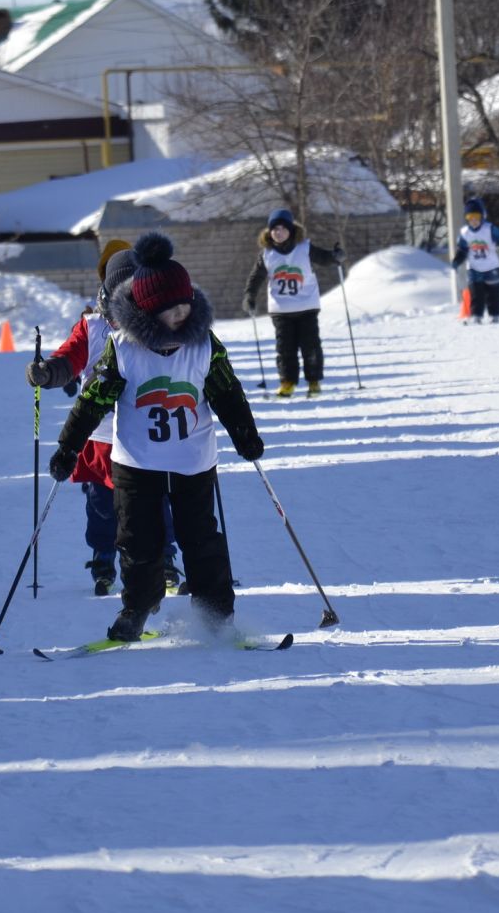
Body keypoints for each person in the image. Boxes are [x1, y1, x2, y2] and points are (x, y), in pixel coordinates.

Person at [52, 231, 264, 642]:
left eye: (186, 305)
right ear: (148, 310)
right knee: (138, 542)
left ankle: (215, 614)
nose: (182, 314)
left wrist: (245, 434)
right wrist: (68, 447)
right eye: (172, 309)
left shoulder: (204, 344)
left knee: (202, 540)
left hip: (193, 461)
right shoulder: (124, 348)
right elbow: (93, 400)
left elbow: (226, 390)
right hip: (136, 462)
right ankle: (137, 608)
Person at [25, 241, 183, 595]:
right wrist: (47, 372)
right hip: (99, 437)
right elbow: (69, 360)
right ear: (108, 291)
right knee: (102, 505)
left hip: (145, 434)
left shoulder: (156, 325)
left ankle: (165, 558)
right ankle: (102, 558)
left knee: (157, 502)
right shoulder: (92, 327)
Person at [242, 208, 342, 398]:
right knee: (284, 348)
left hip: (306, 306)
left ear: (291, 230)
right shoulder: (267, 254)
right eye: (274, 229)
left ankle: (313, 382)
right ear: (269, 232)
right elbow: (256, 278)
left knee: (310, 346)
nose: (278, 232)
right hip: (281, 310)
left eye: (282, 229)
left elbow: (323, 258)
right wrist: (250, 296)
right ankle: (287, 383)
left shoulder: (304, 247)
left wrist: (335, 256)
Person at [449, 197, 499, 323]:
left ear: (483, 216)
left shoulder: (490, 229)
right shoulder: (465, 233)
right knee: (476, 294)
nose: (474, 220)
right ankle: (476, 315)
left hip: (492, 266)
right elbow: (463, 250)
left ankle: (495, 315)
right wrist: (457, 260)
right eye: (470, 217)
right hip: (474, 268)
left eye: (476, 216)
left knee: (494, 293)